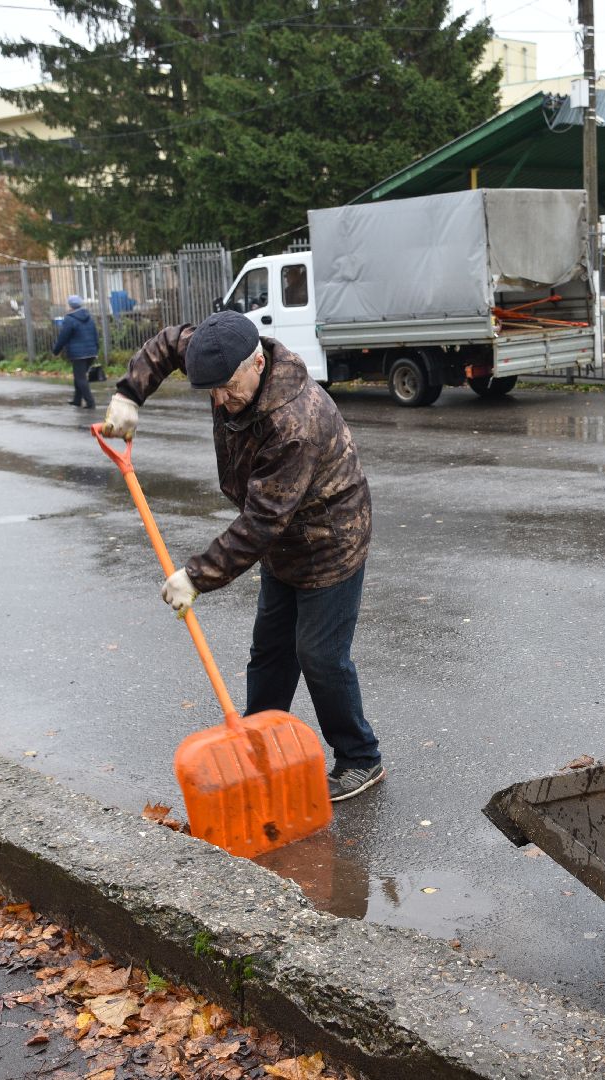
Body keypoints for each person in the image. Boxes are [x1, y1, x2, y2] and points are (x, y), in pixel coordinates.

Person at [99, 312, 383, 802]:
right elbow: (170, 340)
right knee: (270, 650)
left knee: (319, 656)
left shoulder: (294, 420)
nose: (220, 400)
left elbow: (261, 523)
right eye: (209, 390)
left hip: (330, 540)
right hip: (282, 544)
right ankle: (256, 744)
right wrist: (129, 392)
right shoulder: (220, 354)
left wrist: (196, 576)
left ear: (257, 362)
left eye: (228, 388)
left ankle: (361, 757)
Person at [52, 295, 99, 409]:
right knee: (79, 376)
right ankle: (77, 400)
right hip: (91, 352)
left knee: (80, 378)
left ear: (70, 306)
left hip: (79, 354)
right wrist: (96, 349)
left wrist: (56, 351)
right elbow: (95, 334)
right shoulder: (89, 316)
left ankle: (90, 402)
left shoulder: (69, 319)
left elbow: (63, 337)